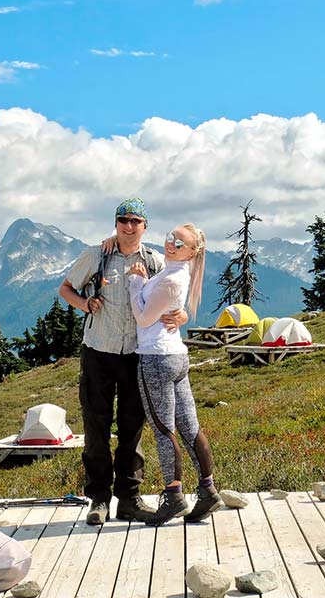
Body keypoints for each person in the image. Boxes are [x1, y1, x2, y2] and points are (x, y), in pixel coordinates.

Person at [58, 198, 186, 525]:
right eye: (123, 220)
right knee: (95, 427)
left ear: (145, 226)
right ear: (115, 224)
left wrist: (182, 315)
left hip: (137, 356)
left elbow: (173, 298)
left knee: (132, 429)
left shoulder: (156, 261)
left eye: (135, 221)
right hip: (98, 352)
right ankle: (98, 499)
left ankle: (128, 498)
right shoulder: (96, 256)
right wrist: (85, 304)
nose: (129, 227)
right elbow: (66, 289)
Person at [127, 223, 223, 526]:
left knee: (164, 430)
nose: (171, 244)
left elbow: (143, 319)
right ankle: (207, 491)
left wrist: (134, 283)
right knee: (189, 426)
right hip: (177, 357)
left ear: (193, 251)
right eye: (170, 238)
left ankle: (173, 497)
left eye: (180, 243)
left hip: (156, 358)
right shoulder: (176, 273)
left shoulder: (171, 279)